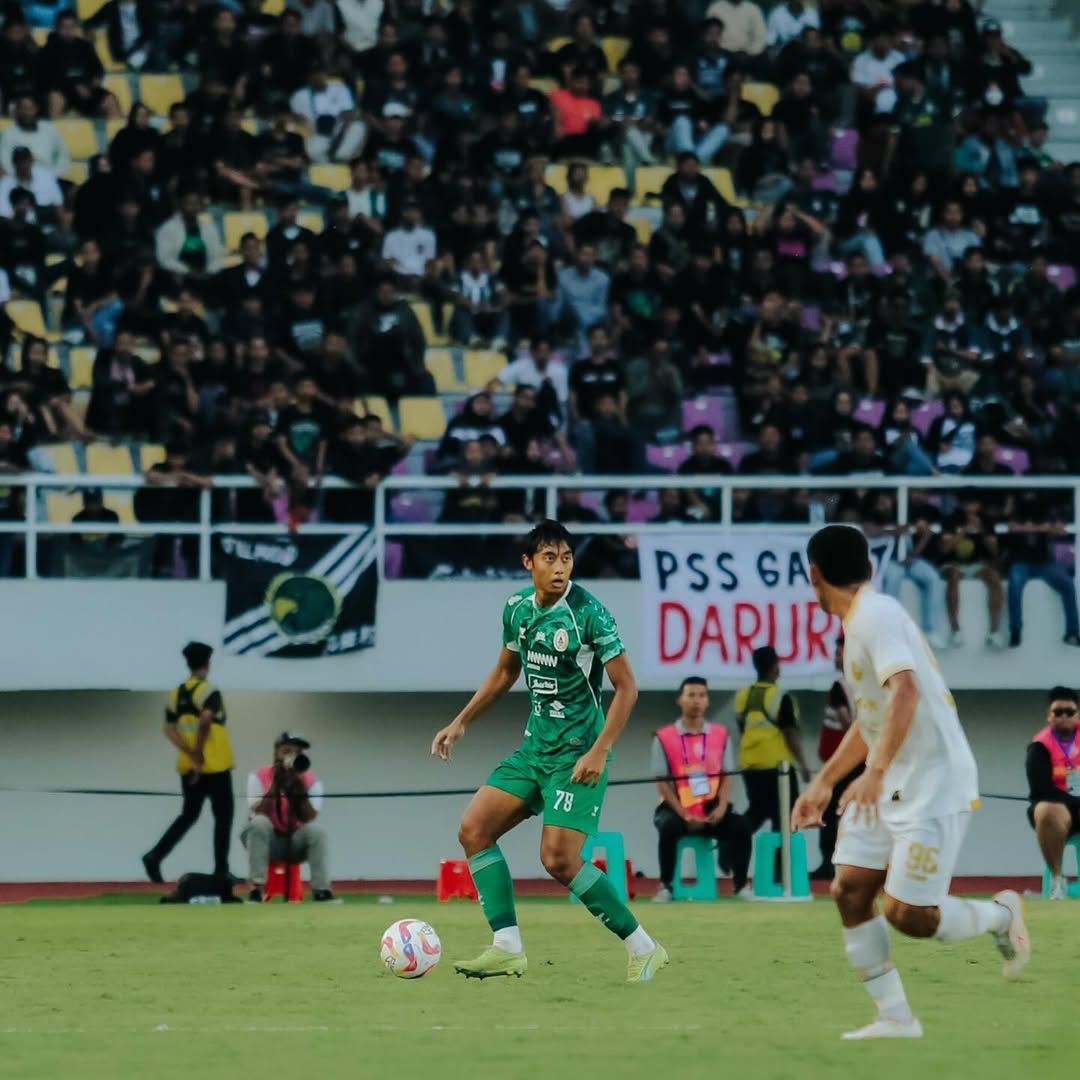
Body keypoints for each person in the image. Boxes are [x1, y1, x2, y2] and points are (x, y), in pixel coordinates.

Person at [793, 525, 1028, 1041]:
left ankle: (999, 914)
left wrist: (872, 773)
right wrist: (824, 783)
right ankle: (896, 1018)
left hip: (934, 782)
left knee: (909, 915)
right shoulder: (860, 623)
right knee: (850, 890)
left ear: (814, 575)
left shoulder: (874, 615)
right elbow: (872, 719)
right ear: (869, 567)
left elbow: (905, 691)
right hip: (891, 778)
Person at [430, 520, 667, 982]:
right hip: (535, 748)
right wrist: (461, 722)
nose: (559, 568)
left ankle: (645, 947)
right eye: (549, 558)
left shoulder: (588, 613)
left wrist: (600, 751)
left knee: (558, 859)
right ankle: (507, 947)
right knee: (474, 829)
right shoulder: (517, 608)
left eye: (566, 558)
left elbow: (627, 688)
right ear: (529, 563)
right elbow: (504, 672)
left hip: (577, 754)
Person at [651, 676, 752, 902]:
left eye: (701, 695)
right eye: (691, 695)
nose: (696, 701)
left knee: (741, 826)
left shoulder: (720, 734)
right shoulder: (664, 737)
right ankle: (665, 886)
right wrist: (683, 813)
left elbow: (726, 777)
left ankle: (740, 885)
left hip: (711, 809)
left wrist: (722, 807)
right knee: (669, 827)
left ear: (707, 701)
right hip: (675, 809)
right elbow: (662, 782)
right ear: (680, 699)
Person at [142, 642, 235, 883]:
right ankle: (221, 870)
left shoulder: (175, 695)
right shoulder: (209, 691)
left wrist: (190, 755)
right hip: (214, 764)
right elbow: (205, 721)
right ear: (208, 663)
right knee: (223, 816)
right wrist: (199, 754)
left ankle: (155, 855)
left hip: (188, 766)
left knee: (189, 814)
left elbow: (169, 730)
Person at [244, 732, 339, 903]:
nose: (291, 756)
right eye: (287, 751)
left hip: (294, 841)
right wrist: (274, 786)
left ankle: (322, 890)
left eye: (297, 753)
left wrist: (300, 788)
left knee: (317, 832)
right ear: (276, 752)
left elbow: (309, 817)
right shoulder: (258, 776)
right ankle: (256, 889)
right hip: (265, 840)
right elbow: (257, 812)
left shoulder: (311, 781)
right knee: (258, 823)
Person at [735, 645, 810, 835]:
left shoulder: (743, 696)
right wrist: (802, 765)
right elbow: (790, 734)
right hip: (778, 768)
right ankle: (780, 864)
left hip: (750, 766)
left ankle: (732, 842)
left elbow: (742, 727)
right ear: (776, 667)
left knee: (757, 812)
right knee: (785, 819)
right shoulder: (780, 697)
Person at [812, 634, 863, 881]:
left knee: (830, 812)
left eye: (840, 652)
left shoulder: (840, 687)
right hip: (861, 758)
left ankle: (828, 862)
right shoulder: (865, 684)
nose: (836, 657)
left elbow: (847, 723)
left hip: (845, 761)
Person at [1027, 687, 1080, 900]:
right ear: (1049, 716)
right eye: (1058, 712)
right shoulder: (1039, 746)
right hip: (1059, 809)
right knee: (1047, 810)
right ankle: (1058, 880)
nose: (1064, 717)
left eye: (1070, 711)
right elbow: (1041, 790)